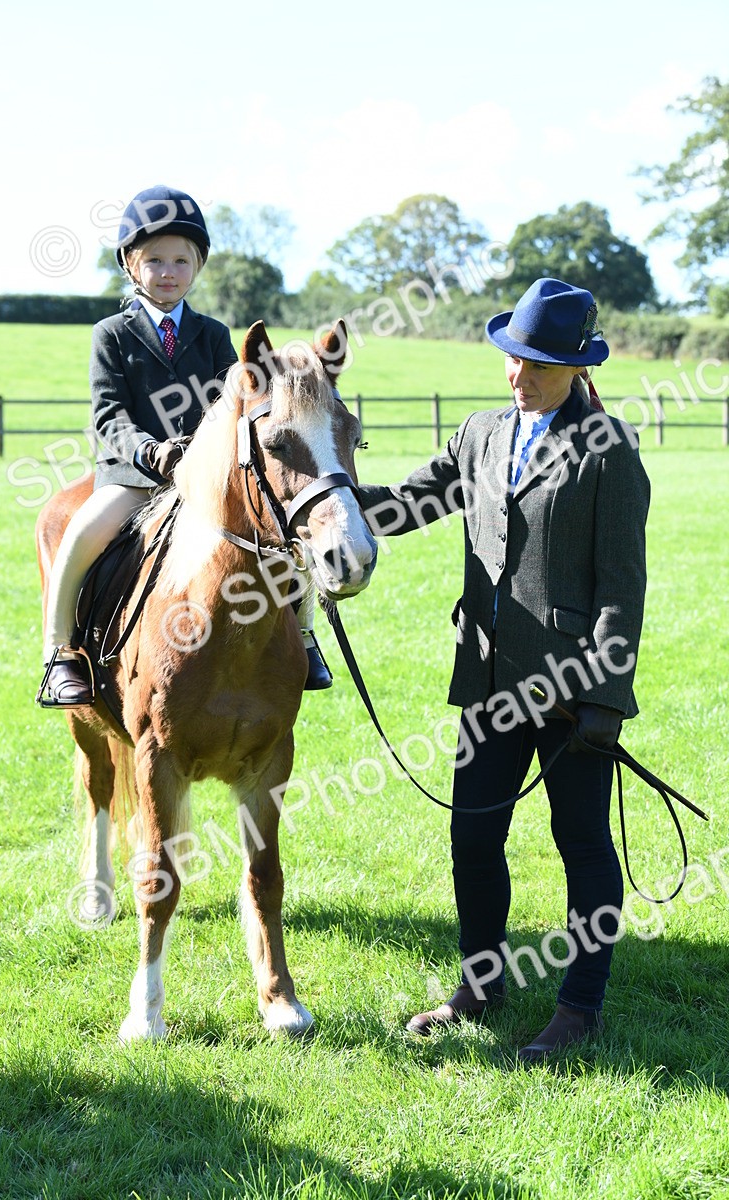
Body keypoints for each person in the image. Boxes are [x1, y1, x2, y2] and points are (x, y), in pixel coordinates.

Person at [360, 278, 651, 1062]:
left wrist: (605, 699)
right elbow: (415, 502)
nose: (516, 375)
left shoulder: (611, 452)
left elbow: (623, 590)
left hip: (569, 696)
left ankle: (580, 1007)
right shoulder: (482, 433)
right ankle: (480, 986)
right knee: (473, 841)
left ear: (578, 369)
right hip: (485, 682)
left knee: (582, 844)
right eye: (511, 357)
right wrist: (335, 504)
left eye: (536, 364)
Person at [38, 184, 331, 707]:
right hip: (134, 477)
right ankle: (60, 653)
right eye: (154, 260)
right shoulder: (111, 334)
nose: (168, 271)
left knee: (285, 541)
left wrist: (203, 457)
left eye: (180, 260)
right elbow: (109, 415)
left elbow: (229, 409)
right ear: (131, 265)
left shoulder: (215, 334)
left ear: (196, 266)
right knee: (81, 533)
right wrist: (152, 451)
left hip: (204, 480)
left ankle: (303, 638)